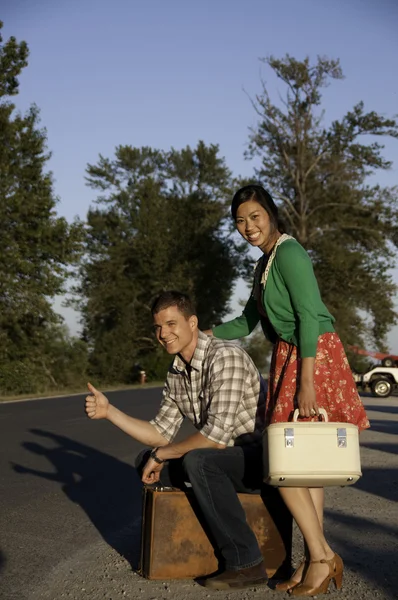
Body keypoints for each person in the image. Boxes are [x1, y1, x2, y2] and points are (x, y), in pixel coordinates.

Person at [204, 184, 370, 597]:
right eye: (240, 221)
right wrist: (202, 334)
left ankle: (321, 556)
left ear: (271, 215)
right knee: (305, 468)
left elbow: (309, 316)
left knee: (286, 463)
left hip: (311, 356)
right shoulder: (263, 266)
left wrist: (307, 382)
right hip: (288, 357)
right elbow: (245, 323)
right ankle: (314, 557)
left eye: (254, 217)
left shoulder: (290, 253)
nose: (248, 227)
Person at [85, 290, 271, 591]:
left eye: (171, 324)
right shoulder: (176, 373)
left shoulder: (225, 357)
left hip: (255, 458)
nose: (163, 334)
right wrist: (110, 413)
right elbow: (160, 432)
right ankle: (194, 541)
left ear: (192, 322)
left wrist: (164, 454)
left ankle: (247, 562)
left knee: (199, 461)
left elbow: (216, 436)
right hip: (222, 458)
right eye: (158, 327)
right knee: (147, 459)